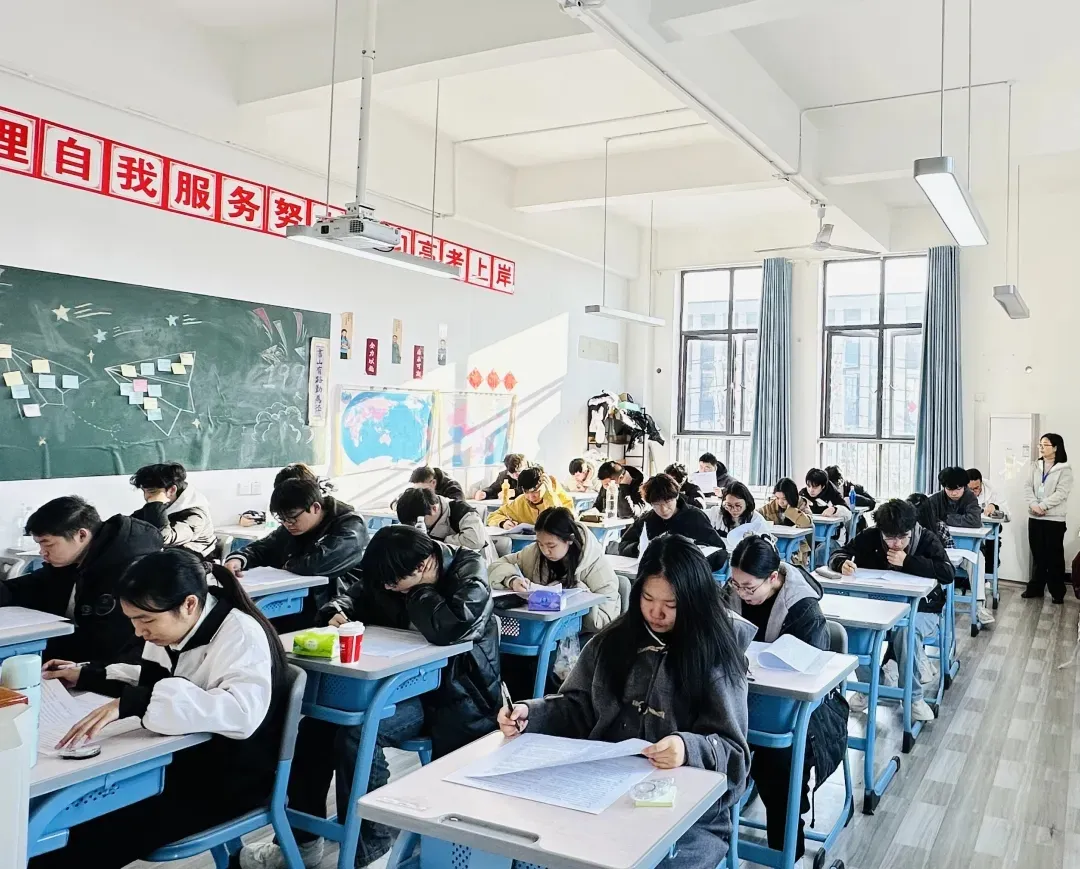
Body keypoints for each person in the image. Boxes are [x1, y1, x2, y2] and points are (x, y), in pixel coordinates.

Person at [242, 526, 501, 869]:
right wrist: (336, 609)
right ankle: (303, 840)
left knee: (358, 734)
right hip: (395, 685)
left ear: (425, 564)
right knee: (314, 730)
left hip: (453, 698)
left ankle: (372, 850)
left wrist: (419, 591)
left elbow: (452, 626)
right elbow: (358, 594)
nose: (388, 589)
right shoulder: (393, 573)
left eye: (394, 583)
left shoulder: (469, 571)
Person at [497, 535, 752, 869]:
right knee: (533, 844)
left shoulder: (715, 655)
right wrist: (531, 714)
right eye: (648, 598)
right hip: (603, 792)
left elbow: (734, 755)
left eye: (671, 604)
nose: (656, 612)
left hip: (686, 816)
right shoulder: (613, 641)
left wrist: (686, 748)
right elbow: (579, 708)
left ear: (694, 601)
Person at [36, 549, 288, 869]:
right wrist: (87, 674)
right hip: (175, 764)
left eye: (146, 620)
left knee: (82, 836)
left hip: (226, 782)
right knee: (64, 820)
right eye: (132, 620)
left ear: (189, 604)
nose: (138, 632)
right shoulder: (174, 627)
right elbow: (156, 680)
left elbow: (241, 713)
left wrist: (135, 703)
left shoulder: (240, 634)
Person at [723, 536, 848, 863]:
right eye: (736, 584)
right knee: (712, 748)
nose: (741, 593)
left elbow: (812, 673)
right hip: (743, 700)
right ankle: (719, 844)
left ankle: (787, 852)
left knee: (777, 762)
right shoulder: (732, 593)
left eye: (749, 587)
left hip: (800, 712)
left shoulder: (803, 608)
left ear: (774, 578)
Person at [828, 499, 954, 722]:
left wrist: (909, 561)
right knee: (852, 631)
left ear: (911, 529)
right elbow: (840, 553)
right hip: (878, 608)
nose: (896, 544)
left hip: (923, 610)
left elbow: (947, 572)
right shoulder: (871, 536)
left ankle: (913, 697)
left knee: (906, 632)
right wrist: (841, 563)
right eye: (890, 538)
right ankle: (869, 686)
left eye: (902, 537)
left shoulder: (926, 539)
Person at [1, 496, 162, 662]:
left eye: (47, 544)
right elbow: (28, 587)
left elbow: (105, 645)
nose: (42, 552)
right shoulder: (71, 560)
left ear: (82, 535)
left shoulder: (129, 572)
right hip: (67, 654)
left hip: (104, 665)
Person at [224, 477, 369, 616]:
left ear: (315, 508)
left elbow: (320, 564)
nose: (288, 524)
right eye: (282, 519)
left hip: (335, 604)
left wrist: (288, 564)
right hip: (301, 599)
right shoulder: (293, 526)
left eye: (293, 518)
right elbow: (264, 547)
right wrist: (239, 559)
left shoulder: (350, 525)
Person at [489, 506, 621, 632]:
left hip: (579, 634)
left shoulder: (596, 565)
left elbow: (606, 619)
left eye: (551, 546)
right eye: (540, 544)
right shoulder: (534, 553)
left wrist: (579, 596)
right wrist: (512, 580)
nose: (545, 551)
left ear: (570, 539)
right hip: (541, 629)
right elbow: (496, 566)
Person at [617, 474, 726, 567]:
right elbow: (623, 545)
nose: (663, 509)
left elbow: (720, 551)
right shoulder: (646, 520)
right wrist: (639, 548)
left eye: (668, 502)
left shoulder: (695, 517)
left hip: (689, 574)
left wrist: (695, 554)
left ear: (676, 496)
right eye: (657, 504)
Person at [1022, 433, 1074, 603]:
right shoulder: (1035, 466)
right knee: (1037, 555)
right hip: (1035, 517)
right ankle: (1036, 588)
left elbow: (1061, 493)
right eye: (1040, 445)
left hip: (1054, 519)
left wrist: (1042, 506)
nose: (1041, 448)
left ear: (1056, 447)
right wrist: (1034, 505)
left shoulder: (1065, 469)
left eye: (1045, 445)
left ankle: (1057, 592)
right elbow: (1027, 487)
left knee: (1054, 557)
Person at [129, 461, 216, 558]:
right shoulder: (166, 501)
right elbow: (132, 521)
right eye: (144, 491)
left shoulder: (195, 516)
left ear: (172, 490)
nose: (146, 497)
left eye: (152, 491)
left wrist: (156, 504)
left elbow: (163, 538)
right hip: (167, 554)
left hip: (193, 559)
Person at [395, 486, 496, 562]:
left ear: (434, 509)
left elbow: (475, 541)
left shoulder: (460, 511)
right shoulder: (417, 512)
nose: (415, 527)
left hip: (477, 565)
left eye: (418, 522)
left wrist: (439, 542)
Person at [486, 466, 575, 529]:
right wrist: (503, 522)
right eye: (526, 492)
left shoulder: (560, 497)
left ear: (545, 484)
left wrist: (550, 496)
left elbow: (566, 522)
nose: (531, 497)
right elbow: (492, 516)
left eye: (536, 491)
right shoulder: (521, 501)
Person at [758, 478, 813, 566]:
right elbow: (757, 514)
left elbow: (807, 522)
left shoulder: (801, 504)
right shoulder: (772, 506)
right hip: (776, 545)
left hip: (797, 549)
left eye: (784, 498)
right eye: (777, 498)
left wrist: (791, 510)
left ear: (792, 496)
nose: (780, 502)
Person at [968, 467, 1009, 577]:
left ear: (981, 483)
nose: (973, 492)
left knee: (991, 550)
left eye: (976, 488)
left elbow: (1007, 513)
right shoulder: (960, 491)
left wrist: (994, 506)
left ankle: (988, 578)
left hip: (988, 530)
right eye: (970, 489)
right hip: (969, 529)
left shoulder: (992, 490)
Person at [916, 466, 983, 531]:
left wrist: (946, 518)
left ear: (964, 486)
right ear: (944, 487)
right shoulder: (934, 500)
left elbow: (975, 521)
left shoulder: (970, 497)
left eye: (958, 489)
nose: (954, 493)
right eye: (950, 489)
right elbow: (927, 520)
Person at [715, 481, 769, 548]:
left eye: (738, 505)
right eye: (729, 505)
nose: (733, 510)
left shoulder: (757, 521)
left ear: (747, 503)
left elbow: (766, 546)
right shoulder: (717, 514)